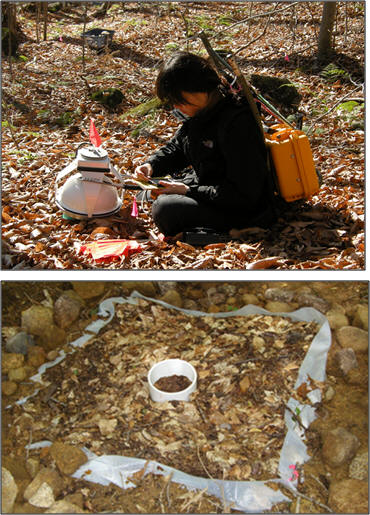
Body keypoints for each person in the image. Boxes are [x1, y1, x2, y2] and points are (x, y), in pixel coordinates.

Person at [133, 51, 277, 237]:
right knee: (145, 194)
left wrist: (188, 191)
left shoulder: (237, 122)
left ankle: (229, 232)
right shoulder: (202, 111)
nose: (177, 107)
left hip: (242, 209)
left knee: (164, 209)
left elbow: (244, 194)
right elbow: (178, 147)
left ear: (199, 87)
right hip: (209, 188)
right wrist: (151, 166)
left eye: (180, 100)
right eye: (173, 102)